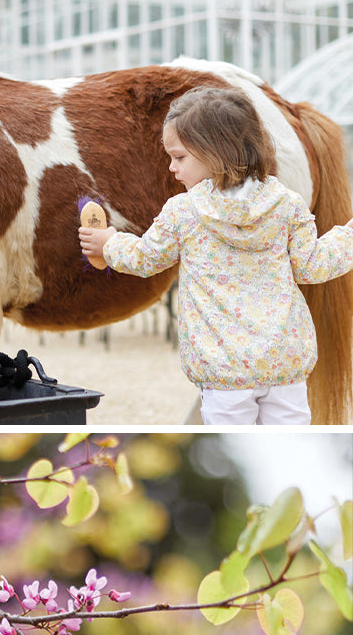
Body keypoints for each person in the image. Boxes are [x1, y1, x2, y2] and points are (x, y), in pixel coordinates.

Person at [79, 86, 353, 425]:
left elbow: (144, 258)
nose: (171, 167)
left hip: (223, 370)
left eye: (179, 157)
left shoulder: (185, 211)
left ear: (215, 152)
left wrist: (106, 243)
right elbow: (314, 265)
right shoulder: (286, 204)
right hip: (285, 364)